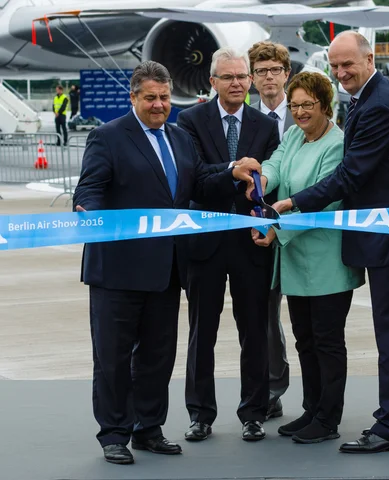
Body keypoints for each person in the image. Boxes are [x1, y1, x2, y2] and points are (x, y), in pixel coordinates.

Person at [72, 60, 260, 465]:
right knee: (114, 357)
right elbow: (91, 188)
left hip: (167, 269)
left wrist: (232, 170)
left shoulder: (178, 137)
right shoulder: (107, 136)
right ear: (133, 97)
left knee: (158, 355)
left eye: (163, 98)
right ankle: (114, 434)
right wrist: (87, 211)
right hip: (118, 270)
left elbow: (200, 184)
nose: (159, 105)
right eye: (150, 98)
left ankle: (149, 428)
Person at [272, 31, 389, 454]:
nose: (342, 73)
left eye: (349, 64)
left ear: (369, 58)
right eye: (336, 66)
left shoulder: (380, 103)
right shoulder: (372, 97)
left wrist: (292, 203)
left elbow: (352, 176)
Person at [249, 71, 365, 444]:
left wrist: (274, 228)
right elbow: (276, 165)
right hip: (297, 261)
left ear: (325, 106)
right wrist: (258, 180)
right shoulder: (295, 136)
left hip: (327, 261)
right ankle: (312, 408)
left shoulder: (337, 143)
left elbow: (326, 198)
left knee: (328, 341)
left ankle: (328, 419)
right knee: (304, 339)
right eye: (294, 104)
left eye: (307, 105)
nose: (299, 112)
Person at [177, 47, 279, 443]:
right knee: (203, 331)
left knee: (255, 329)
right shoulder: (190, 121)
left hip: (251, 242)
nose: (237, 83)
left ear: (250, 80)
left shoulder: (265, 125)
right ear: (212, 81)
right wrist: (233, 173)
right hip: (205, 243)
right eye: (228, 77)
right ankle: (200, 414)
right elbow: (197, 178)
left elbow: (272, 176)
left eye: (242, 76)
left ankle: (253, 412)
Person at [247, 40, 293, 421]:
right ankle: (273, 390)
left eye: (275, 70)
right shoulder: (244, 121)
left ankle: (322, 401)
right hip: (261, 235)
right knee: (265, 316)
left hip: (302, 228)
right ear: (251, 79)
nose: (268, 77)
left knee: (315, 320)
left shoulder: (310, 114)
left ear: (287, 74)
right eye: (260, 71)